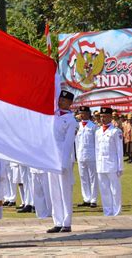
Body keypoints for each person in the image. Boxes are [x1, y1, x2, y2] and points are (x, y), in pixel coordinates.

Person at [47, 90, 77, 233]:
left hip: (62, 159)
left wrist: (64, 163)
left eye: (64, 101)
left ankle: (67, 222)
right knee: (54, 191)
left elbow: (68, 143)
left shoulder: (71, 120)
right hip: (51, 158)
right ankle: (57, 221)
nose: (61, 102)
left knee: (65, 191)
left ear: (70, 103)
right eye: (60, 100)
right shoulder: (54, 115)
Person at [95, 107, 124, 216]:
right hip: (101, 164)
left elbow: (119, 150)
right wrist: (97, 165)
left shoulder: (116, 131)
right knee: (104, 190)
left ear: (110, 117)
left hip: (112, 164)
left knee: (115, 189)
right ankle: (107, 212)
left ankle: (116, 211)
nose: (102, 118)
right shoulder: (98, 132)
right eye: (101, 116)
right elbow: (97, 149)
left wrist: (120, 167)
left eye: (105, 116)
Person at [75, 106, 98, 208]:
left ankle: (93, 199)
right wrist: (76, 155)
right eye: (81, 113)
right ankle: (86, 198)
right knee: (83, 177)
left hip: (92, 155)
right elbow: (76, 142)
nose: (82, 114)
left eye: (84, 113)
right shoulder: (77, 126)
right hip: (81, 155)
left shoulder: (93, 126)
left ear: (89, 114)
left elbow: (96, 143)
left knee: (93, 178)